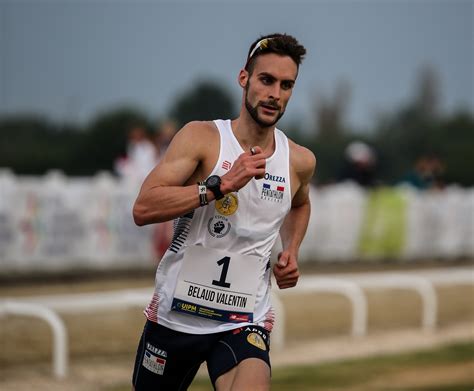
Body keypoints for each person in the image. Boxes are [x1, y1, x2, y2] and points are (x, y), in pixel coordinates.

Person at [131, 33, 316, 391]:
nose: (275, 94)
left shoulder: (299, 160)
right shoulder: (201, 138)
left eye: (286, 85)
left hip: (243, 319)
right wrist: (218, 186)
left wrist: (291, 249)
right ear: (244, 78)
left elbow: (301, 203)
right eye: (266, 80)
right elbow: (144, 207)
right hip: (177, 317)